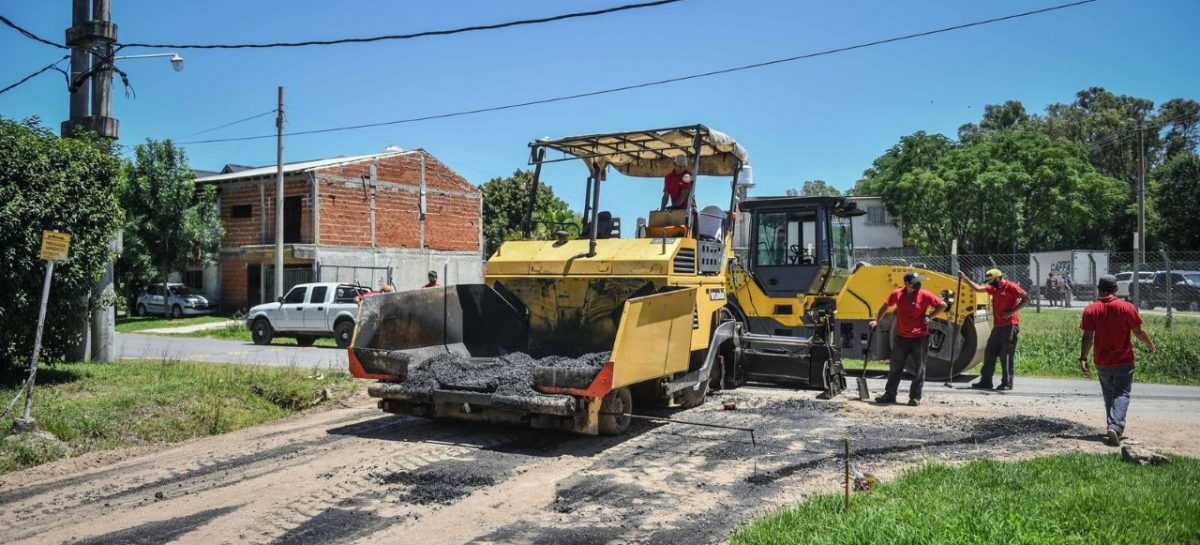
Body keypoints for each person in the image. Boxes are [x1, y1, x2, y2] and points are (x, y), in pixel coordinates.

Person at [1080, 275, 1154, 447]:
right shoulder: (1126, 307)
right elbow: (1138, 332)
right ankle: (1115, 426)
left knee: (1109, 394)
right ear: (1115, 289)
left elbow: (1088, 336)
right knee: (1121, 393)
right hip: (1123, 360)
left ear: (1099, 288)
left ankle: (1111, 427)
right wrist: (1149, 344)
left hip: (1102, 361)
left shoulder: (1091, 309)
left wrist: (1083, 357)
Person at [870, 271, 947, 406]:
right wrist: (876, 320)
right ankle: (890, 395)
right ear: (907, 284)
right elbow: (886, 305)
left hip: (920, 338)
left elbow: (943, 305)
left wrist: (930, 317)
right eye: (915, 282)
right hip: (901, 337)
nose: (918, 284)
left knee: (919, 368)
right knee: (895, 367)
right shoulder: (897, 294)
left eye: (919, 281)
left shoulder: (924, 294)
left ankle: (915, 397)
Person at [959, 269, 1030, 390]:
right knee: (989, 353)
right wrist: (965, 278)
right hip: (998, 326)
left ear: (997, 278)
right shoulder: (994, 288)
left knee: (1005, 355)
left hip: (1010, 326)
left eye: (990, 280)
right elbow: (977, 288)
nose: (988, 283)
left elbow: (1026, 298)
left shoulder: (1011, 286)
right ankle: (986, 381)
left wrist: (1013, 311)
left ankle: (1007, 383)